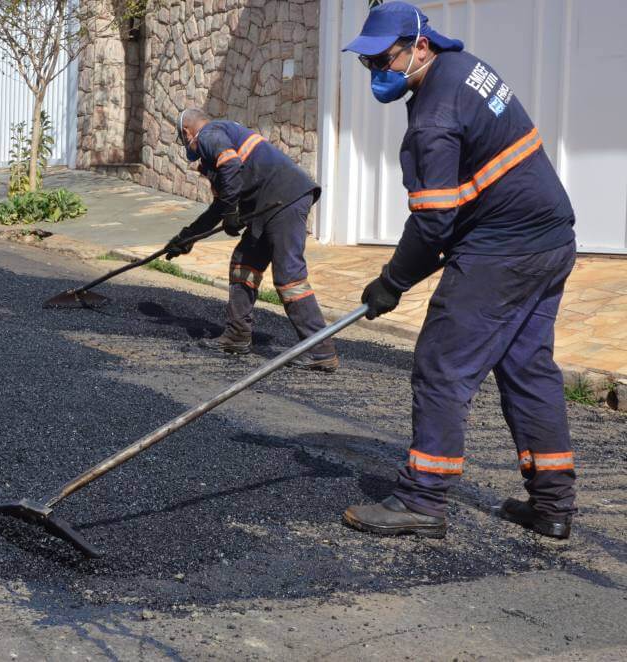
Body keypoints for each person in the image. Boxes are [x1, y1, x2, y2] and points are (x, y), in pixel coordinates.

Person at [341, 2, 578, 539]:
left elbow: (432, 225)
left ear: (419, 45)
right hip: (550, 237)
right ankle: (553, 504)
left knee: (442, 365)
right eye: (367, 64)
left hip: (505, 248)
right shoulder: (463, 65)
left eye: (383, 60)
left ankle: (421, 500)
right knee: (526, 367)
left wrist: (390, 284)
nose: (376, 73)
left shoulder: (433, 115)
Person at [165, 109, 338, 371]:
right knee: (244, 263)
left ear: (188, 132)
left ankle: (320, 350)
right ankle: (236, 336)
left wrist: (233, 211)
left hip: (283, 198)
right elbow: (220, 206)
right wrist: (187, 237)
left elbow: (231, 165)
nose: (194, 151)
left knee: (289, 276)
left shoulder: (209, 134)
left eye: (185, 140)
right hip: (269, 204)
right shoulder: (223, 136)